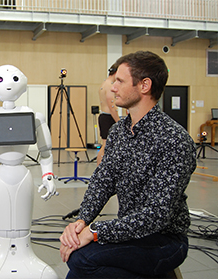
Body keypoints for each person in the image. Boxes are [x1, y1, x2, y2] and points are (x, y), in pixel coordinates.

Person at [60, 51, 197, 278]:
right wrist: (81, 222)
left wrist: (95, 231)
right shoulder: (118, 132)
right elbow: (103, 181)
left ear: (144, 86)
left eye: (120, 81)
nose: (112, 88)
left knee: (82, 259)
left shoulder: (174, 140)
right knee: (79, 261)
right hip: (130, 233)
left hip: (163, 240)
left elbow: (155, 215)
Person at [96, 64, 120, 165]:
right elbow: (112, 106)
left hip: (104, 116)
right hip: (108, 117)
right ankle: (100, 169)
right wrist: (119, 122)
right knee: (105, 145)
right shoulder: (110, 85)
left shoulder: (104, 84)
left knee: (107, 145)